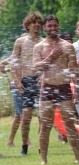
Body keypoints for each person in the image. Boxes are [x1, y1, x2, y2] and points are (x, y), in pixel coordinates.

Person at [33, 14, 79, 164]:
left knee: (70, 125)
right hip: (47, 88)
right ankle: (44, 159)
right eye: (50, 26)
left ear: (58, 26)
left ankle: (77, 158)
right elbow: (36, 66)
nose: (53, 28)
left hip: (64, 88)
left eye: (55, 25)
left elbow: (74, 69)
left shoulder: (67, 46)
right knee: (45, 125)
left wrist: (77, 90)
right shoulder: (39, 47)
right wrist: (50, 57)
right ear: (44, 27)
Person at [8, 12, 44, 155]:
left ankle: (43, 144)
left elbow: (48, 62)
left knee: (43, 115)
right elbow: (14, 62)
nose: (37, 25)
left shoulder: (44, 41)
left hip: (41, 81)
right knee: (26, 116)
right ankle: (24, 145)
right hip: (27, 81)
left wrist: (45, 76)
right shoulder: (20, 42)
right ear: (27, 25)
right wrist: (17, 81)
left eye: (39, 22)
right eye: (34, 22)